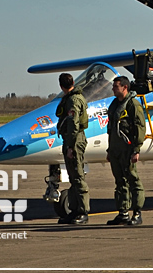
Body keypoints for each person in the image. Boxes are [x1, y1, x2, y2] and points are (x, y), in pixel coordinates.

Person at [105, 76, 146, 226]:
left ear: (125, 87)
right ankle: (123, 213)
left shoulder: (133, 105)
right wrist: (109, 150)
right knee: (120, 182)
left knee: (133, 180)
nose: (113, 89)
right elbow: (112, 129)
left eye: (116, 86)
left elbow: (140, 128)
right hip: (115, 150)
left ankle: (137, 213)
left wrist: (136, 150)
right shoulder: (114, 105)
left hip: (128, 150)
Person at [55, 72, 89, 224]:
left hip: (74, 140)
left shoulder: (73, 100)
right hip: (71, 139)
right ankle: (75, 210)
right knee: (73, 177)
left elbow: (73, 124)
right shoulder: (71, 98)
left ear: (61, 85)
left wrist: (70, 146)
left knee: (78, 176)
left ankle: (83, 211)